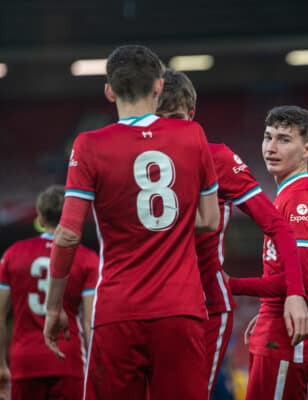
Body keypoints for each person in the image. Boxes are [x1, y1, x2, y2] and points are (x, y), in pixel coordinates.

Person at [43, 45, 220, 400]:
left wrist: (54, 307)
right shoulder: (193, 136)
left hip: (118, 310)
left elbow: (67, 235)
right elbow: (210, 220)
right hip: (181, 309)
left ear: (109, 90)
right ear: (159, 86)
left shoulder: (90, 145)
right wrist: (170, 228)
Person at [156, 69, 308, 397]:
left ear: (192, 114)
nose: (170, 127)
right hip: (150, 302)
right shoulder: (135, 161)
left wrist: (295, 293)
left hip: (205, 308)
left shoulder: (217, 158)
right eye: (160, 118)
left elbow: (277, 225)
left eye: (177, 118)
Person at [230, 105, 308, 400]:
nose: (271, 148)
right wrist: (271, 306)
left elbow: (302, 283)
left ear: (307, 149)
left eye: (284, 139)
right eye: (268, 137)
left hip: (288, 335)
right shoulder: (296, 193)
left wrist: (229, 285)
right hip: (280, 326)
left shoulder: (302, 198)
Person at [0, 185, 97, 400]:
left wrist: (0, 365)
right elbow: (91, 322)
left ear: (41, 219)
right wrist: (96, 367)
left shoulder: (12, 255)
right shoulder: (87, 259)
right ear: (69, 216)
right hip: (69, 360)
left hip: (25, 361)